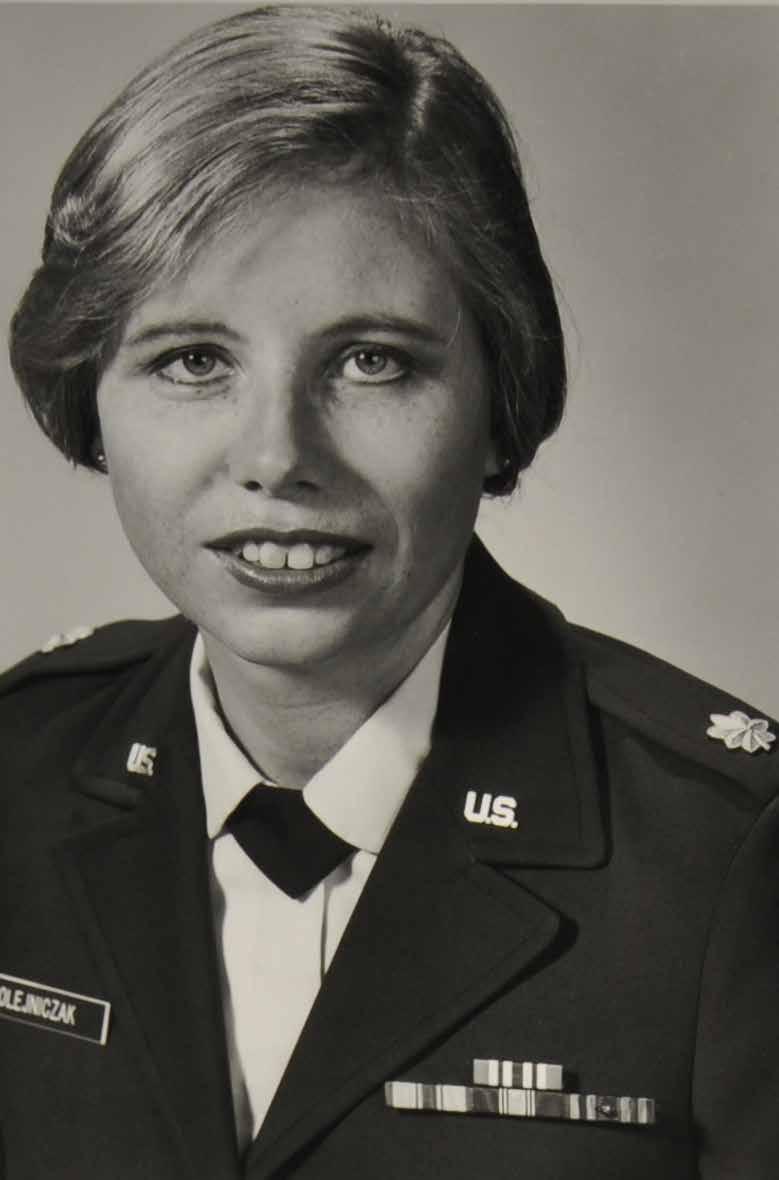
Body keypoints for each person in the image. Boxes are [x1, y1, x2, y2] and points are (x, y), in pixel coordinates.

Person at [1, 6, 777, 1178]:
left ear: (499, 393)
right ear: (89, 398)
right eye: (193, 360)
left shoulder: (723, 859)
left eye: (371, 360)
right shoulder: (16, 773)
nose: (277, 456)